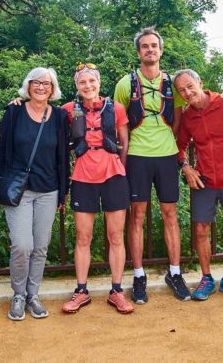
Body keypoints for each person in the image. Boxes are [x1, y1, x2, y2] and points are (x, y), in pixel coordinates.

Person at [113, 28, 189, 303]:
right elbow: (119, 123)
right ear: (138, 52)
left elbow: (178, 121)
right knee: (138, 216)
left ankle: (175, 271)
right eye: (144, 46)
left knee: (170, 214)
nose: (150, 50)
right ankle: (138, 274)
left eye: (154, 46)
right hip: (137, 156)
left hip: (167, 156)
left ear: (161, 50)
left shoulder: (172, 83)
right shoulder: (125, 84)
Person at [0, 68, 70, 321]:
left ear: (52, 88)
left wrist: (63, 192)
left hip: (49, 190)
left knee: (40, 247)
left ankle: (32, 295)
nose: (41, 87)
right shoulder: (14, 111)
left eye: (46, 84)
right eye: (36, 83)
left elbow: (62, 157)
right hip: (20, 191)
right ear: (28, 86)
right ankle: (18, 294)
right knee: (22, 246)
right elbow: (1, 149)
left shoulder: (59, 116)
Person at [61, 63, 135, 314]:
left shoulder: (116, 108)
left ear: (99, 83)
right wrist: (21, 98)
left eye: (92, 81)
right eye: (82, 82)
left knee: (116, 236)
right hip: (83, 175)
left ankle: (116, 290)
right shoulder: (69, 110)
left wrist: (120, 170)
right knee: (83, 237)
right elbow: (43, 115)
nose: (88, 86)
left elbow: (124, 142)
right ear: (77, 86)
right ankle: (81, 290)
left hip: (113, 175)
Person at [173, 69, 223, 301]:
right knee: (200, 230)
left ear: (200, 82)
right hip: (204, 181)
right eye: (181, 91)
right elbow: (180, 146)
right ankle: (206, 278)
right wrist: (187, 167)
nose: (187, 93)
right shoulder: (187, 116)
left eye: (190, 86)